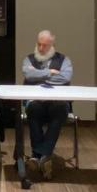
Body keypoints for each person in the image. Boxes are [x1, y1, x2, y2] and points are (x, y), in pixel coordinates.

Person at [21, 30, 73, 181]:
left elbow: (65, 77)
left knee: (60, 109)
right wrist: (50, 72)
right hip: (35, 100)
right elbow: (28, 75)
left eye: (45, 45)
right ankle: (45, 157)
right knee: (33, 109)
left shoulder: (64, 60)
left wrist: (39, 76)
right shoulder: (29, 59)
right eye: (39, 44)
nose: (41, 48)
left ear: (52, 45)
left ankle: (38, 156)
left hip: (58, 100)